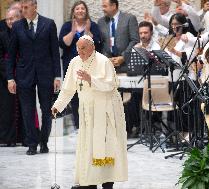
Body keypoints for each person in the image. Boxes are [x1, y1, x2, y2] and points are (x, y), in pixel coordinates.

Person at [52, 35, 127, 189]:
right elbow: (68, 88)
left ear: (92, 47)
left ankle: (107, 183)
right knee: (88, 148)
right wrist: (57, 106)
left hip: (105, 111)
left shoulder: (103, 61)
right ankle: (89, 182)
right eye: (78, 48)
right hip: (87, 112)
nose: (80, 51)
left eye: (83, 48)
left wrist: (90, 79)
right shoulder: (74, 62)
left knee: (105, 148)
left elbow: (111, 85)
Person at [6, 0, 61, 155]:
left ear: (35, 6)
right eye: (22, 7)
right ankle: (32, 143)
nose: (23, 10)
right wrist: (10, 78)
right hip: (24, 74)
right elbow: (10, 55)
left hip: (46, 74)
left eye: (26, 7)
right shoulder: (17, 26)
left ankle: (44, 142)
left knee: (47, 110)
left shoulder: (49, 24)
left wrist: (57, 76)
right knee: (27, 110)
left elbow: (55, 52)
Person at [59, 0, 102, 130]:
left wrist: (87, 31)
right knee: (75, 97)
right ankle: (79, 125)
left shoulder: (92, 25)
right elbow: (63, 44)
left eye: (82, 8)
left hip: (89, 67)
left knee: (90, 95)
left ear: (86, 11)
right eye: (77, 9)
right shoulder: (67, 26)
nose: (80, 11)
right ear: (73, 12)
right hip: (71, 67)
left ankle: (91, 124)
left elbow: (97, 44)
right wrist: (72, 32)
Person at [0, 7, 22, 146]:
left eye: (12, 18)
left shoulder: (23, 32)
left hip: (22, 74)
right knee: (7, 108)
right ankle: (8, 138)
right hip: (4, 76)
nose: (9, 21)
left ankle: (20, 136)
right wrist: (9, 74)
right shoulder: (2, 34)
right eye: (8, 19)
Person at [98, 0, 139, 73]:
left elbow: (135, 40)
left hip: (126, 65)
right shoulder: (101, 22)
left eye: (105, 6)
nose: (103, 9)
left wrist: (124, 57)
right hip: (108, 66)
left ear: (113, 6)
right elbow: (102, 42)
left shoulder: (129, 18)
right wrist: (106, 58)